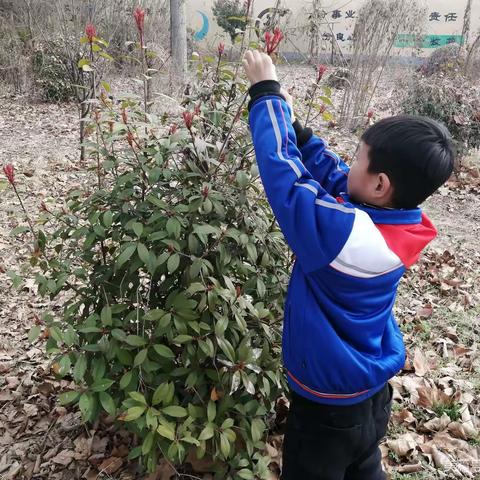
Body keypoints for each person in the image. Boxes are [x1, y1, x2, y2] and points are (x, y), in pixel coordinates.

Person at [242, 50, 455, 480]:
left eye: (358, 156)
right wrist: (297, 130)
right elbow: (337, 179)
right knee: (362, 467)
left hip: (326, 409)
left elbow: (286, 181)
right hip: (369, 396)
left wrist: (265, 95)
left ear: (380, 183)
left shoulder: (345, 238)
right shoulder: (398, 223)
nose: (348, 163)